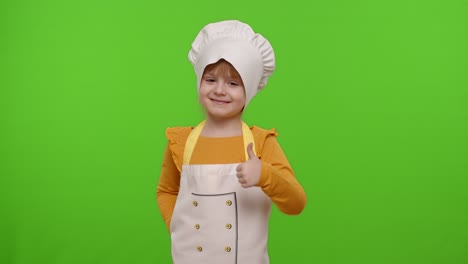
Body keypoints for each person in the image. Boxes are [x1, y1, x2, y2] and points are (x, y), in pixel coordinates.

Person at [156, 20, 306, 264]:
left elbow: (296, 203)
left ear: (249, 89)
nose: (220, 90)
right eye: (211, 79)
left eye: (233, 83)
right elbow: (167, 190)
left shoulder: (261, 143)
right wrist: (177, 226)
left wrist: (264, 174)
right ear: (199, 82)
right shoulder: (181, 142)